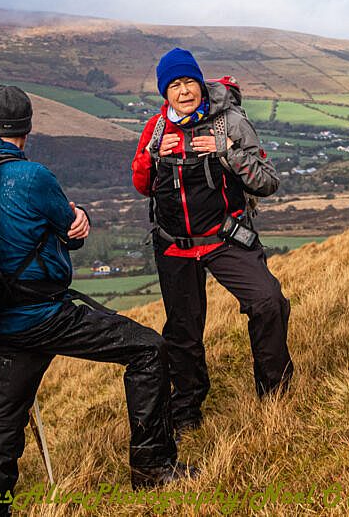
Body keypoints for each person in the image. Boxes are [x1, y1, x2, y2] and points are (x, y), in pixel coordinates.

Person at [0, 85, 191, 514]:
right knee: (148, 350)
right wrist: (76, 220)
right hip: (42, 314)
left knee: (0, 420)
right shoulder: (29, 176)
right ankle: (153, 468)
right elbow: (70, 226)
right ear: (25, 130)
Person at [131, 48, 294, 436]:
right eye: (174, 85)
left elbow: (267, 182)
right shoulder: (156, 128)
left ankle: (276, 393)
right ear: (164, 93)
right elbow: (141, 185)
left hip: (225, 237)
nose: (183, 91)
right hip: (174, 245)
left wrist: (227, 153)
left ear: (200, 84)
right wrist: (153, 157)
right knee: (183, 330)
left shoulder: (230, 123)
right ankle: (187, 409)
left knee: (268, 300)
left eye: (188, 81)